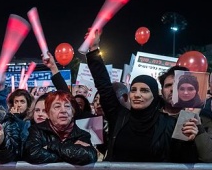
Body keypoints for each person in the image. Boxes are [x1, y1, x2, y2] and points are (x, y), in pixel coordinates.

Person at [85, 29, 198, 162]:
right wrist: (93, 50)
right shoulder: (119, 117)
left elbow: (183, 162)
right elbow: (104, 86)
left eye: (144, 90)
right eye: (133, 90)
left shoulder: (169, 124)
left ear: (154, 96)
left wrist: (188, 141)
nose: (137, 95)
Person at [23, 90, 98, 165]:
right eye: (57, 106)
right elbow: (33, 154)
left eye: (67, 106)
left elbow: (88, 155)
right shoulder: (37, 130)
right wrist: (71, 152)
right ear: (48, 113)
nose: (63, 110)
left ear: (73, 113)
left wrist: (51, 146)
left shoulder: (82, 134)